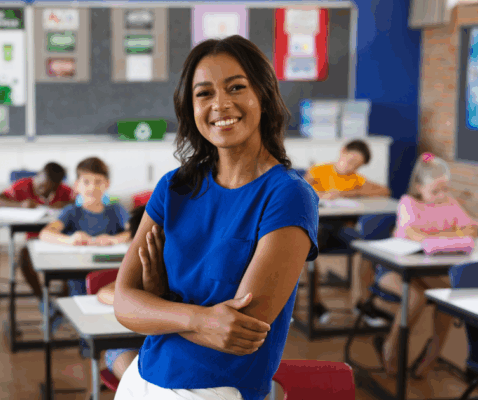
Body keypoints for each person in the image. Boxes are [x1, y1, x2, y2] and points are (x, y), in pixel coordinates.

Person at [112, 35, 319, 400]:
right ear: (191, 107)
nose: (221, 104)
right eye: (204, 93)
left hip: (216, 390)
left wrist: (160, 304)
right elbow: (124, 303)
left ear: (263, 96)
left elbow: (238, 333)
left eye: (236, 87)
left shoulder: (288, 196)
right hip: (141, 378)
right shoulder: (174, 187)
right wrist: (197, 318)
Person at [375, 152, 478, 379]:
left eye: (445, 189)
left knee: (449, 296)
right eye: (435, 191)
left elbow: (472, 228)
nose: (441, 196)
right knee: (415, 298)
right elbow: (414, 234)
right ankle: (391, 346)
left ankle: (433, 354)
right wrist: (452, 233)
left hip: (429, 271)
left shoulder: (449, 203)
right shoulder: (408, 203)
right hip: (394, 270)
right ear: (419, 186)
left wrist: (439, 235)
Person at [18, 157, 131, 328]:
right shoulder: (71, 211)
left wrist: (114, 239)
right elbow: (46, 233)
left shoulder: (116, 209)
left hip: (111, 273)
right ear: (76, 185)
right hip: (79, 274)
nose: (92, 187)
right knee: (83, 310)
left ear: (107, 184)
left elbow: (134, 231)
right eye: (86, 182)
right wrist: (70, 239)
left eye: (98, 182)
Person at [303, 140, 391, 324]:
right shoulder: (320, 170)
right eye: (351, 161)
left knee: (366, 248)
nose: (351, 167)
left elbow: (385, 191)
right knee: (305, 248)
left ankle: (362, 302)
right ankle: (316, 302)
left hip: (342, 229)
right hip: (317, 226)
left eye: (357, 166)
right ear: (342, 152)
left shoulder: (354, 179)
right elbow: (301, 188)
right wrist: (322, 194)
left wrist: (346, 193)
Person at [94, 205, 145, 380]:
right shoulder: (138, 268)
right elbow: (104, 293)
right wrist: (139, 302)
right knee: (136, 382)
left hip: (171, 345)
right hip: (129, 345)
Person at [0, 162, 74, 211]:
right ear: (37, 176)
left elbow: (81, 201)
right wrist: (20, 205)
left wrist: (65, 204)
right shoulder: (21, 185)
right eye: (41, 186)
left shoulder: (63, 189)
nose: (43, 191)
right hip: (30, 230)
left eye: (49, 189)